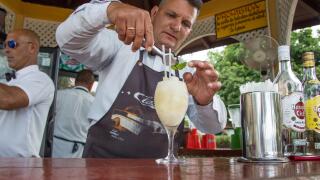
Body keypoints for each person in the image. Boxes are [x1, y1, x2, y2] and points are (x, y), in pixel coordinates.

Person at [56, 0, 227, 158]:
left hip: (162, 173)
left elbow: (213, 127)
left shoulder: (188, 73)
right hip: (101, 168)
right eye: (171, 15)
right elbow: (67, 40)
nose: (176, 26)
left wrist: (205, 102)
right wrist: (110, 9)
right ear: (154, 13)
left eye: (185, 23)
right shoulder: (120, 45)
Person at [0, 29, 55, 157]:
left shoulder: (41, 80)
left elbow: (8, 100)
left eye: (12, 44)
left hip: (18, 167)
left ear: (32, 48)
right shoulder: (7, 81)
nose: (6, 50)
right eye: (5, 45)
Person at [52, 69, 95, 158]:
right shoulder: (94, 102)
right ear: (91, 85)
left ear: (75, 81)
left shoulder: (59, 95)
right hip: (78, 149)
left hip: (55, 144)